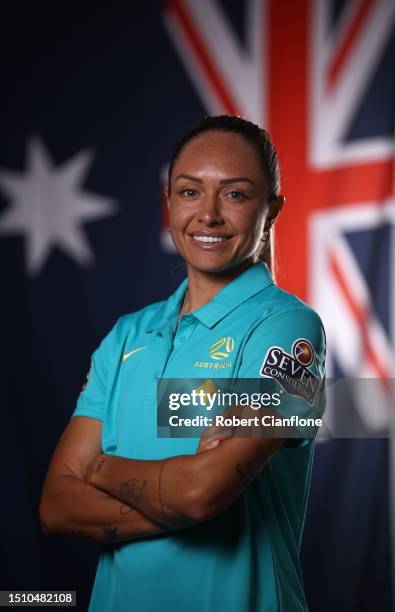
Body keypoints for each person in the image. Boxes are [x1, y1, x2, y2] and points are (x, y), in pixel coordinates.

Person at [39, 115, 326, 612]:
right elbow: (57, 506)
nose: (208, 215)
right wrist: (187, 492)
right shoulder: (126, 335)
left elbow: (198, 492)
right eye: (190, 192)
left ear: (271, 210)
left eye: (235, 195)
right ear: (168, 202)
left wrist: (100, 469)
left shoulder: (290, 330)